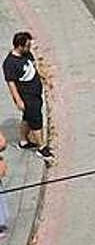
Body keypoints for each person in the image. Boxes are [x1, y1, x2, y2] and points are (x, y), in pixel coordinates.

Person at [4, 32, 52, 161]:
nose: (29, 47)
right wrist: (18, 100)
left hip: (35, 93)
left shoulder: (27, 54)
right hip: (27, 96)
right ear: (20, 46)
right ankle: (42, 148)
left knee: (27, 118)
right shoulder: (10, 63)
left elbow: (34, 68)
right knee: (36, 121)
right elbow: (11, 84)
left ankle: (23, 141)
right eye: (27, 45)